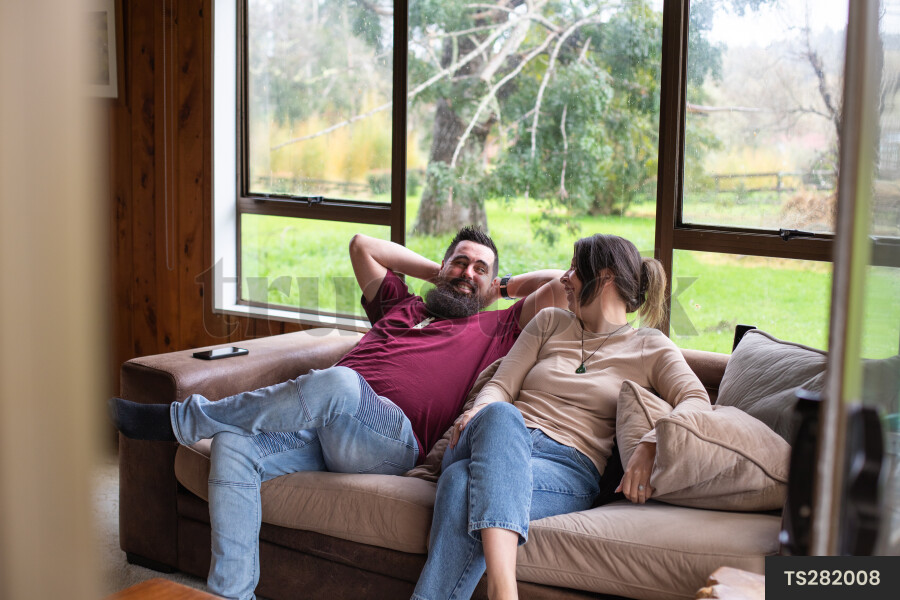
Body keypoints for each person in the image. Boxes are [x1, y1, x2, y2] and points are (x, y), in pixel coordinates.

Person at [109, 226, 567, 600]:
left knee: (341, 382)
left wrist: (494, 287)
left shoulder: (499, 325)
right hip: (322, 426)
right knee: (234, 445)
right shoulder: (403, 304)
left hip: (391, 442)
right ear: (442, 267)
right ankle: (232, 594)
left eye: (480, 270)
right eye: (460, 262)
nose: (468, 273)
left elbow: (564, 283)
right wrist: (444, 275)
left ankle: (186, 419)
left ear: (494, 286)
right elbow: (362, 246)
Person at [411, 234, 711, 600]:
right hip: (491, 439)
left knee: (460, 483)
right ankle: (503, 591)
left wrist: (651, 444)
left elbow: (696, 399)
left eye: (573, 269)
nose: (564, 278)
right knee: (502, 414)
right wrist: (479, 408)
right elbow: (501, 387)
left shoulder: (651, 347)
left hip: (566, 471)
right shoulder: (550, 322)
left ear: (603, 279)